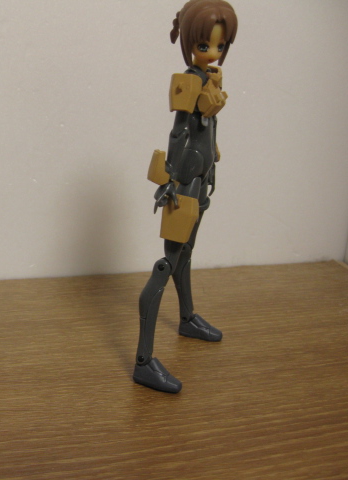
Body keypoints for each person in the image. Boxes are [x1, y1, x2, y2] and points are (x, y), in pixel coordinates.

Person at [133, 0, 237, 393]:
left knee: (186, 253)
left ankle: (187, 317)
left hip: (200, 180)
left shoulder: (210, 82)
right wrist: (173, 180)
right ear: (190, 43)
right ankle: (144, 361)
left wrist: (211, 163)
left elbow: (205, 131)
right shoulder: (189, 82)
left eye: (220, 46)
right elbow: (179, 132)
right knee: (168, 263)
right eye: (205, 45)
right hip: (183, 184)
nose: (213, 53)